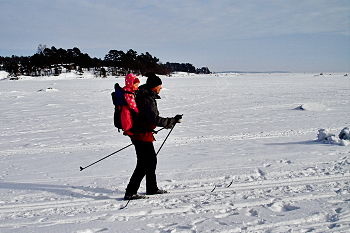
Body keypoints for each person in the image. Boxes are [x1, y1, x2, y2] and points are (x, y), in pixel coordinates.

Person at [124, 72, 182, 200]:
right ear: (154, 86)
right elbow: (154, 119)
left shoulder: (145, 96)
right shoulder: (146, 99)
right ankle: (130, 192)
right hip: (140, 134)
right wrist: (172, 121)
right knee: (144, 163)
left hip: (143, 133)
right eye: (159, 85)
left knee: (151, 161)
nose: (161, 88)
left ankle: (151, 188)